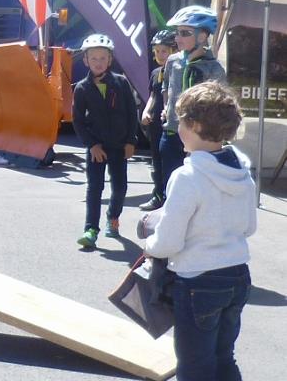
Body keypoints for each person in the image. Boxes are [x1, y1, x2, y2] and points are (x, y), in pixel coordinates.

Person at [140, 81, 256, 381]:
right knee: (222, 357)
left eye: (180, 122)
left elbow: (168, 241)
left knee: (194, 365)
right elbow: (249, 227)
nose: (176, 128)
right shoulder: (242, 170)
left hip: (198, 282)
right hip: (237, 276)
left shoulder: (187, 175)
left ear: (193, 125)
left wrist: (150, 244)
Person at [72, 33, 138, 249]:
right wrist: (92, 145)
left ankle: (113, 217)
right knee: (94, 188)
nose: (98, 63)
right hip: (97, 148)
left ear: (110, 60)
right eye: (93, 59)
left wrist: (130, 141)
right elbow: (79, 122)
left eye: (102, 58)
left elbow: (131, 113)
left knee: (119, 188)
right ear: (85, 61)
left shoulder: (121, 83)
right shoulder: (82, 88)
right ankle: (90, 229)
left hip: (119, 146)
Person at [159, 5, 226, 199]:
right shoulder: (173, 61)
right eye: (177, 33)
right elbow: (166, 87)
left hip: (199, 139)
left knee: (195, 192)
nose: (178, 38)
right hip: (172, 133)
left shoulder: (214, 69)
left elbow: (219, 107)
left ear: (202, 37)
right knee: (170, 188)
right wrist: (167, 108)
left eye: (185, 33)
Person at [139, 28, 177, 211]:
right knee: (156, 160)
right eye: (157, 51)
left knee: (172, 161)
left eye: (164, 51)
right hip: (156, 122)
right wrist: (145, 112)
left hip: (172, 122)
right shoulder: (156, 73)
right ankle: (157, 194)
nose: (160, 55)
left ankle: (171, 198)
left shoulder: (178, 71)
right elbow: (153, 95)